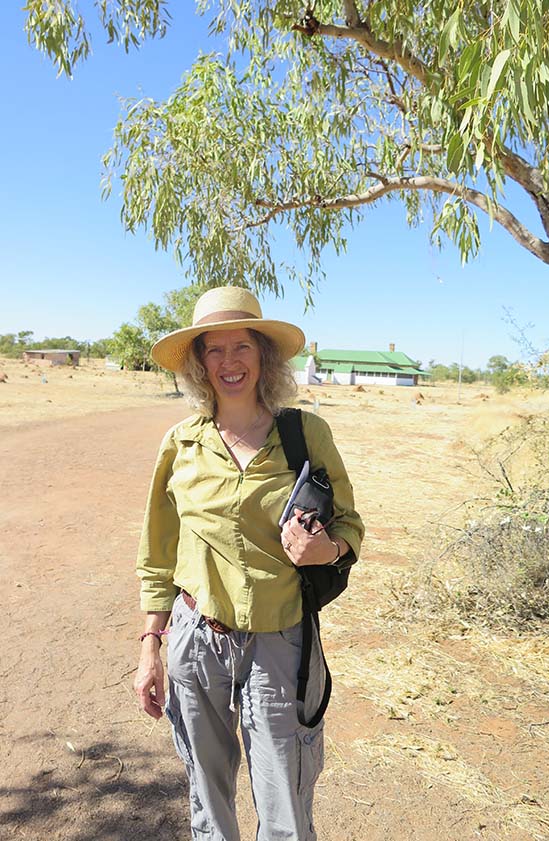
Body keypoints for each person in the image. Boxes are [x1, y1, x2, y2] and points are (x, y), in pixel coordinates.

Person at [134, 286, 364, 841]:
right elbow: (157, 550)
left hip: (279, 639)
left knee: (285, 796)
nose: (229, 361)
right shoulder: (182, 442)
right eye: (215, 349)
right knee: (207, 795)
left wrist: (325, 549)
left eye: (242, 346)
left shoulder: (304, 433)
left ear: (263, 355)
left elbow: (350, 525)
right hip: (196, 637)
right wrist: (150, 644)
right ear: (198, 362)